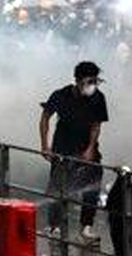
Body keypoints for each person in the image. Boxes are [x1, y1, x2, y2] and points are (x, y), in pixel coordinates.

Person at [40, 61, 109, 244]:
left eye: (95, 81)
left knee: (92, 186)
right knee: (58, 188)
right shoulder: (61, 95)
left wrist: (90, 148)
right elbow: (45, 117)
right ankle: (54, 227)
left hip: (87, 150)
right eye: (89, 81)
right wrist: (45, 145)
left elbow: (96, 125)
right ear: (78, 81)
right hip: (62, 149)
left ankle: (86, 228)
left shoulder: (98, 98)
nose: (93, 85)